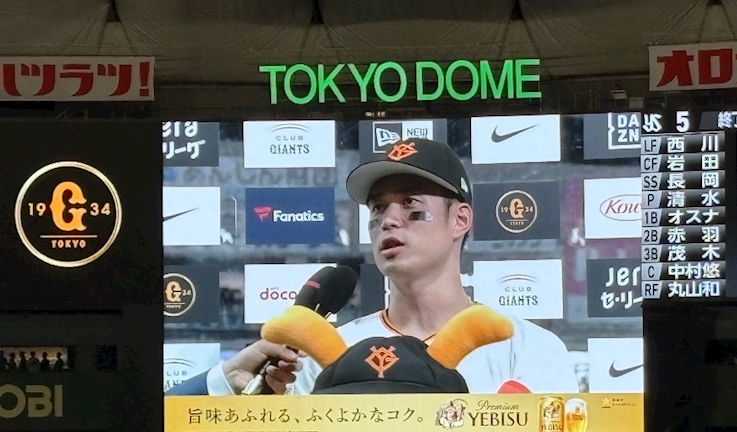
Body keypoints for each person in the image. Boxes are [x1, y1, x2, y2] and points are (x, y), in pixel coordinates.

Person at [169, 138, 576, 396]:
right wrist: (227, 381)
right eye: (378, 209)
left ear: (460, 220)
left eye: (411, 204)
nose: (389, 220)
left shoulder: (529, 350)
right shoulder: (329, 353)